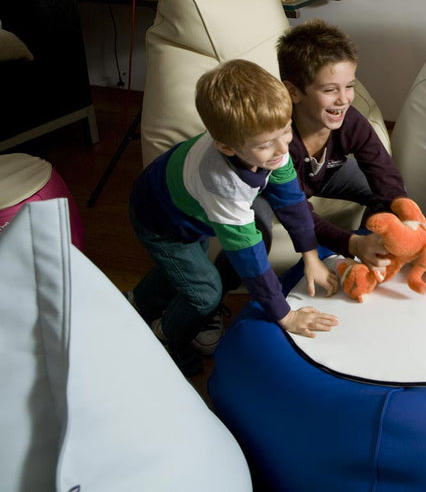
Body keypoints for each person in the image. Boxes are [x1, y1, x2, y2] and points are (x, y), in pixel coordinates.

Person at [126, 59, 339, 376]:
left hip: (180, 205)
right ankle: (166, 337)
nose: (283, 148)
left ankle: (137, 304)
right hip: (161, 223)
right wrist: (285, 315)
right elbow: (249, 257)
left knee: (183, 271)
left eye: (286, 129)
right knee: (204, 293)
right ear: (226, 147)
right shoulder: (223, 185)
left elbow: (291, 201)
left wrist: (310, 256)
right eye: (266, 144)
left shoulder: (271, 145)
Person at [276, 19, 407, 268]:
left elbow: (385, 175)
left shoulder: (351, 122)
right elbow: (296, 211)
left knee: (390, 196)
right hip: (274, 187)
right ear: (293, 92)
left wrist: (410, 221)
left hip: (327, 174)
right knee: (261, 216)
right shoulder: (278, 140)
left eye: (349, 86)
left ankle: (376, 252)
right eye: (330, 90)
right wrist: (352, 244)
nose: (344, 99)